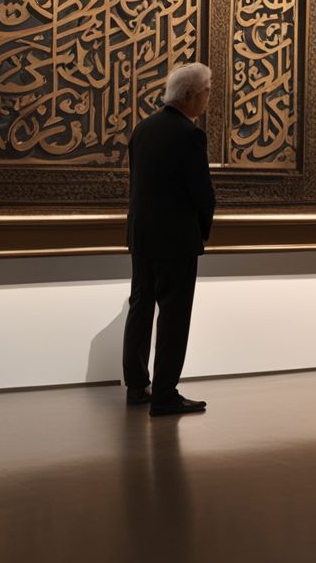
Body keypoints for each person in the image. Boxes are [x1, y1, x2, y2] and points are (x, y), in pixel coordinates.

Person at [123, 63, 216, 417]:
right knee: (174, 316)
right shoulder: (189, 134)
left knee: (141, 305)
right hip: (175, 237)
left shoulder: (143, 129)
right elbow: (202, 193)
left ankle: (137, 385)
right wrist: (201, 230)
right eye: (206, 92)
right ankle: (165, 393)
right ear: (189, 95)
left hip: (142, 234)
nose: (207, 99)